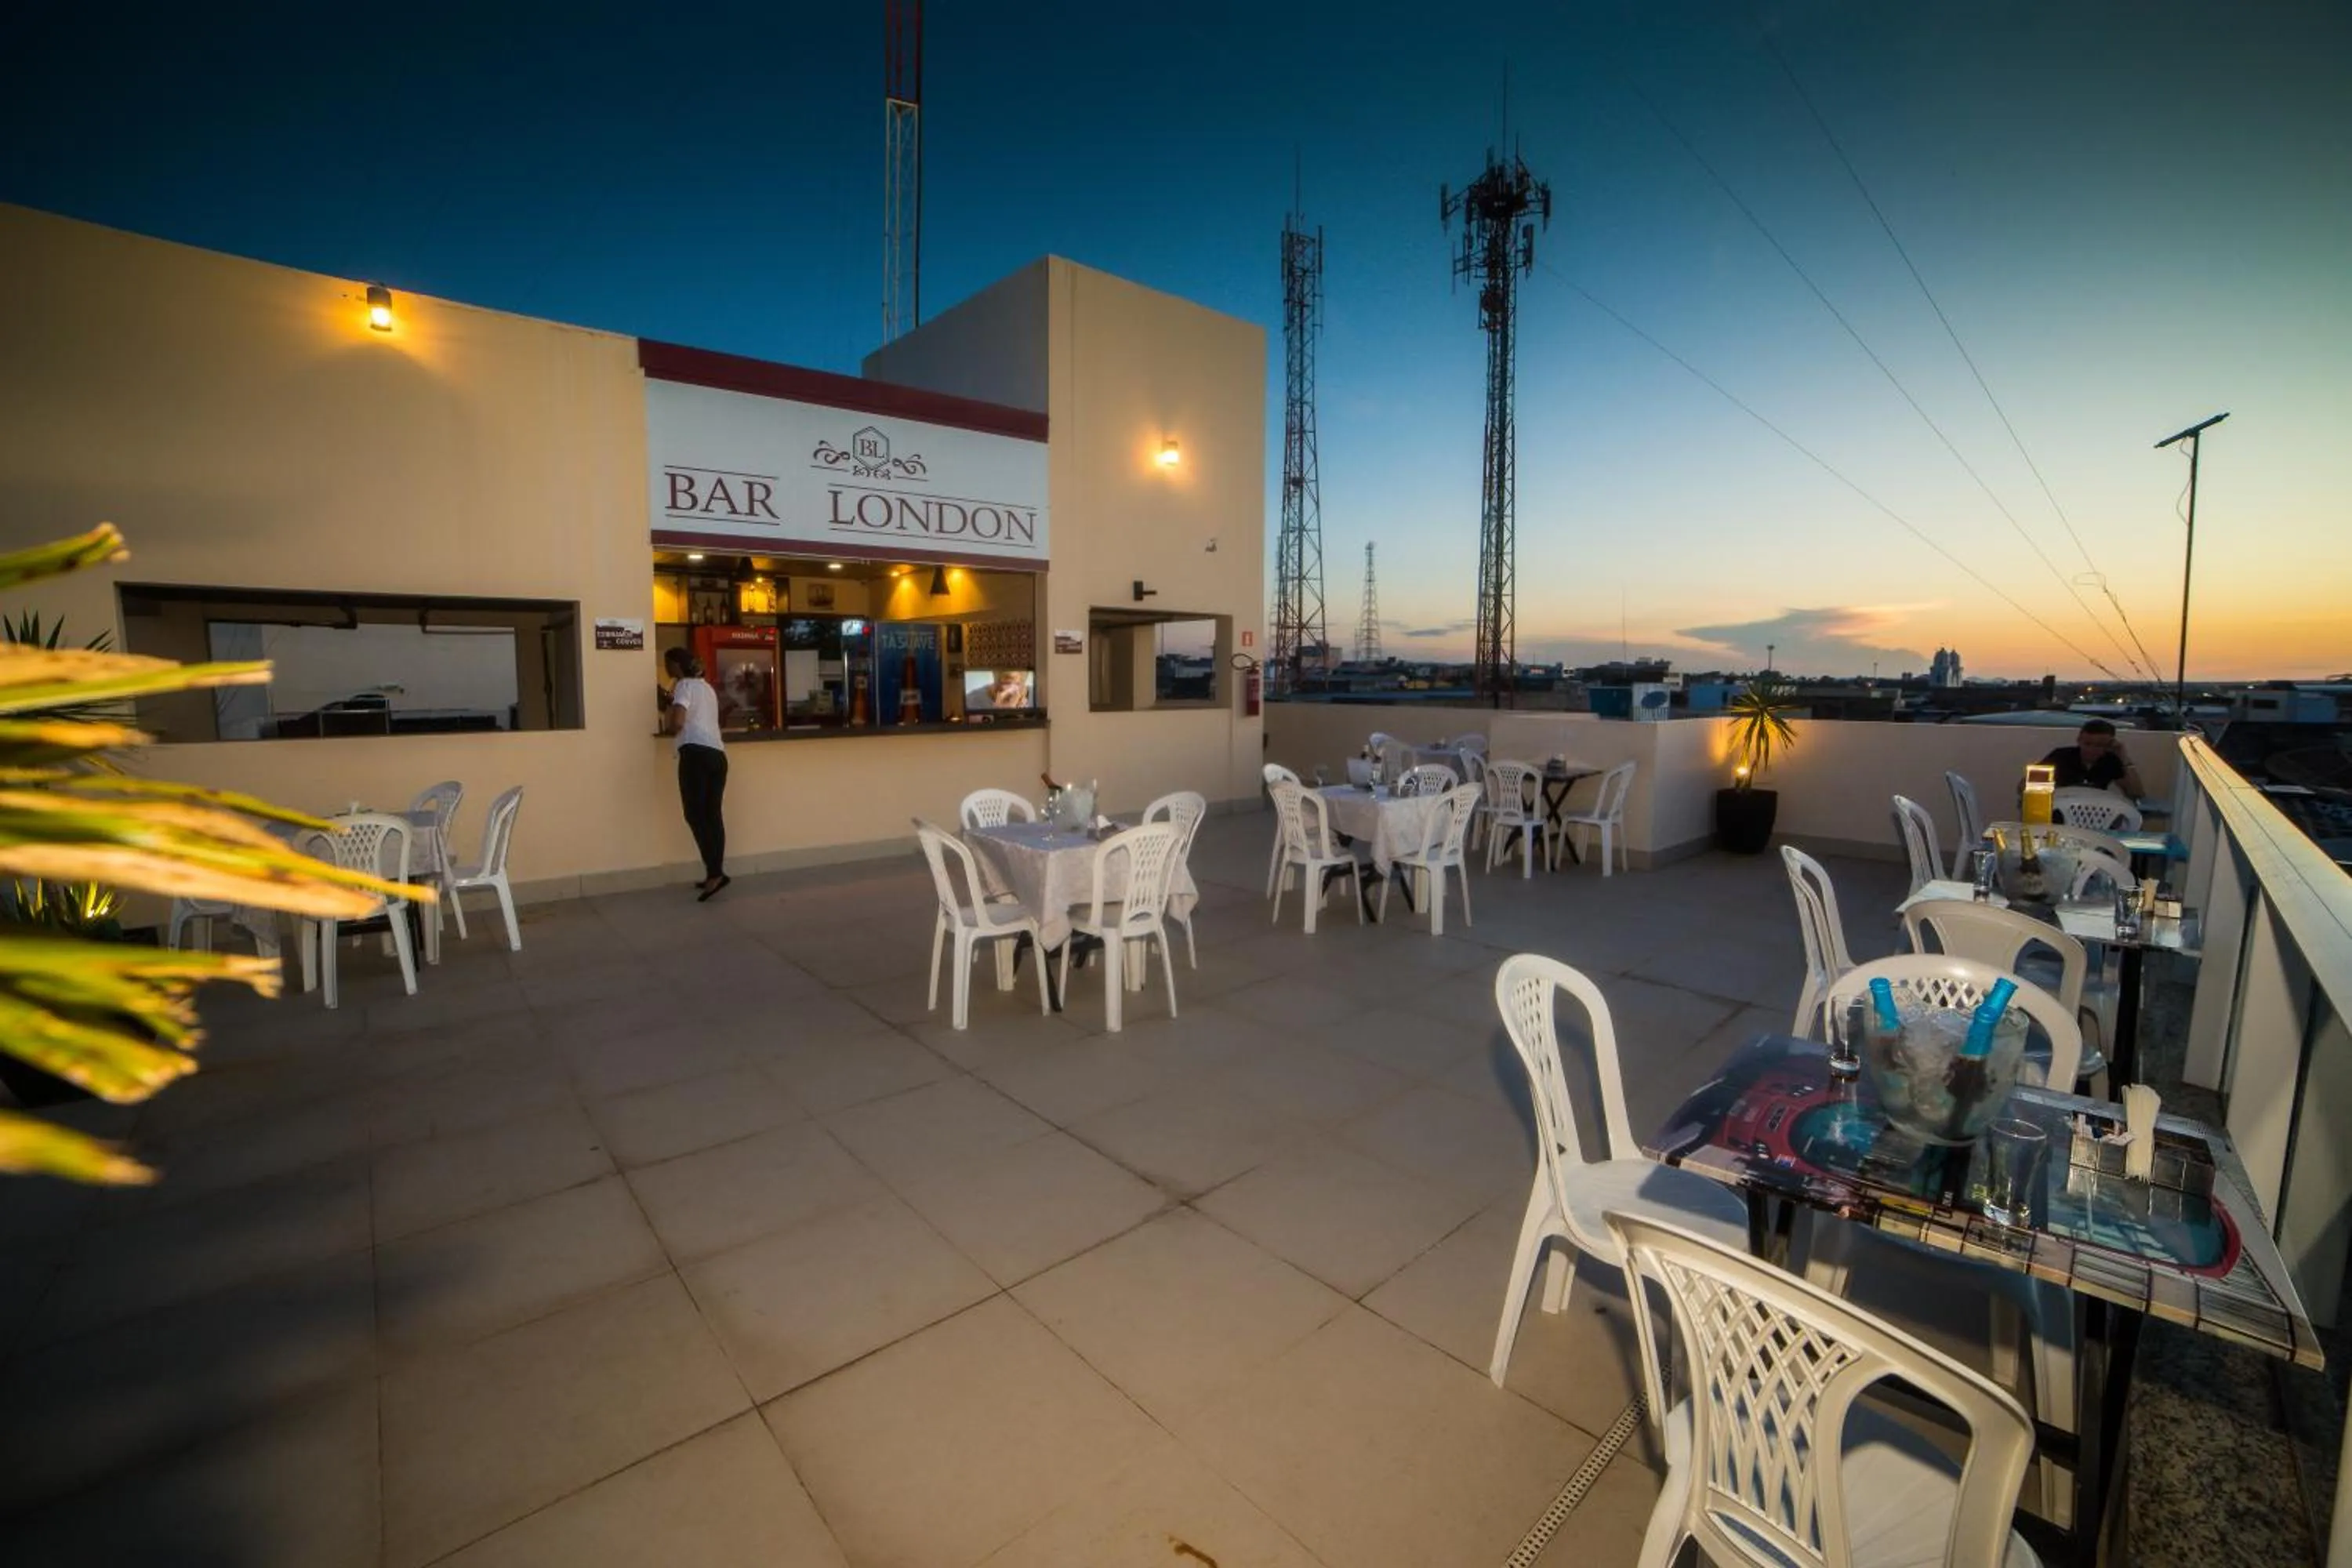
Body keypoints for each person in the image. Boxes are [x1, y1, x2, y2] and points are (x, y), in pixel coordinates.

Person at [661, 648, 729, 900]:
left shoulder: (684, 686)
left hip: (695, 755)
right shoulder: (706, 687)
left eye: (668, 664)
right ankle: (716, 872)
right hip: (717, 755)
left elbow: (677, 722)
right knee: (712, 814)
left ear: (678, 665)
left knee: (694, 814)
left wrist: (669, 727)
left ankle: (715, 873)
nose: (667, 669)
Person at [2039, 719, 2144, 797]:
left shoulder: (2111, 761)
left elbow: (2136, 794)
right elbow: (2025, 785)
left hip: (2098, 812)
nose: (2092, 749)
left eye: (2099, 745)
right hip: (2062, 808)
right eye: (2087, 744)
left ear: (2109, 745)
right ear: (2079, 740)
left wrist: (2124, 758)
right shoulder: (2060, 756)